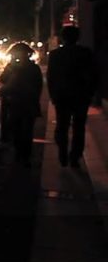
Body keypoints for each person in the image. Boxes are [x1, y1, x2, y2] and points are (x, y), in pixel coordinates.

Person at [47, 26, 97, 168]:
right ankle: (74, 156)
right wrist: (90, 93)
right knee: (79, 127)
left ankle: (62, 153)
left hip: (62, 95)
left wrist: (53, 95)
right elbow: (93, 74)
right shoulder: (85, 53)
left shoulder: (55, 54)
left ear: (63, 38)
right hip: (81, 95)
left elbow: (51, 77)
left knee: (62, 126)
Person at [0, 42, 43, 166]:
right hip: (29, 102)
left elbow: (2, 80)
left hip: (14, 102)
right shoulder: (34, 67)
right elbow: (38, 85)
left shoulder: (11, 67)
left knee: (16, 128)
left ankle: (19, 153)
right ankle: (26, 155)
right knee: (27, 129)